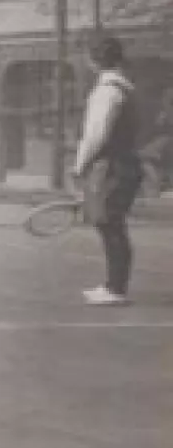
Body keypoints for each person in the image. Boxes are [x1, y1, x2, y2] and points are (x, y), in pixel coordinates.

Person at [71, 35, 143, 306]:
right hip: (124, 162)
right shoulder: (126, 88)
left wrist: (79, 165)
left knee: (110, 224)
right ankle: (113, 285)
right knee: (110, 224)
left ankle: (115, 289)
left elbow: (96, 135)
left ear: (93, 61)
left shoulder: (106, 91)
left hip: (112, 165)